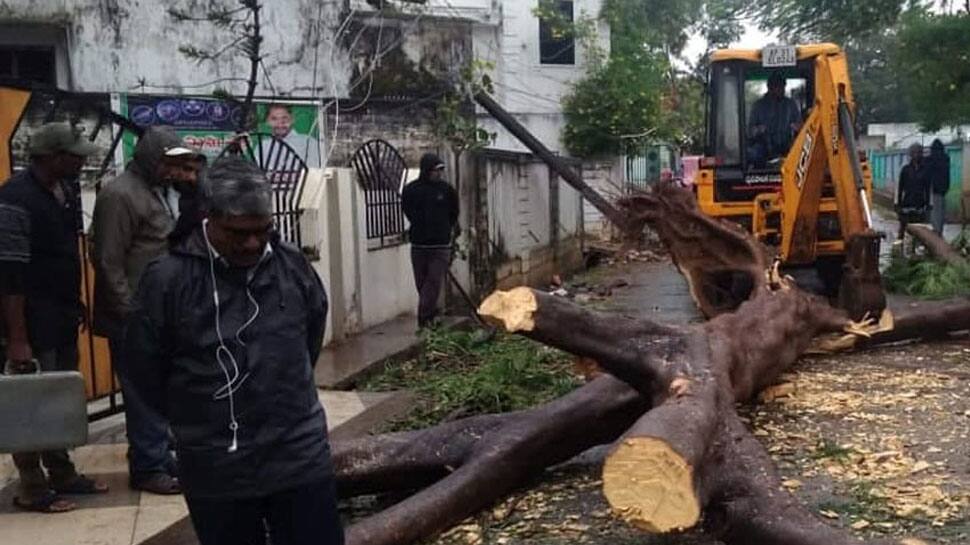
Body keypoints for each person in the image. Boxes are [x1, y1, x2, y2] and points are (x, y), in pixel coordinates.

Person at [123, 157, 342, 545]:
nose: (254, 243)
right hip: (215, 465)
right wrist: (195, 422)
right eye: (238, 233)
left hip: (298, 454)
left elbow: (310, 337)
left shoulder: (291, 266)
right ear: (208, 218)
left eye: (263, 230)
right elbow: (143, 368)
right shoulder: (169, 280)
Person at [0, 122, 109, 513]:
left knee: (60, 400)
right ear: (50, 157)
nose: (80, 160)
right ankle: (32, 487)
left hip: (60, 313)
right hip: (30, 319)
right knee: (32, 402)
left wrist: (74, 301)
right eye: (73, 154)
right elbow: (10, 276)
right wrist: (16, 336)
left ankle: (62, 473)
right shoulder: (15, 199)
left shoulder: (60, 192)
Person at [90, 126, 203, 495]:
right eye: (169, 164)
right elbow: (108, 261)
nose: (175, 171)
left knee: (157, 390)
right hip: (133, 317)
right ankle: (148, 467)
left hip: (154, 315)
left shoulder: (155, 192)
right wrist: (129, 313)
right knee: (141, 394)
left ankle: (156, 454)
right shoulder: (121, 195)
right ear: (153, 161)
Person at [401, 153, 459, 328]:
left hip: (440, 245)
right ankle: (430, 314)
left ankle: (424, 317)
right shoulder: (412, 190)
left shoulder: (446, 190)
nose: (438, 174)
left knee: (433, 281)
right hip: (419, 244)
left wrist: (445, 229)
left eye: (441, 170)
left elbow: (454, 213)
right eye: (435, 170)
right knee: (422, 283)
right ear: (427, 170)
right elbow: (407, 209)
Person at [747, 73, 802, 168]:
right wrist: (758, 130)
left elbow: (800, 126)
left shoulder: (790, 105)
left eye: (782, 87)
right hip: (764, 148)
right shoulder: (758, 106)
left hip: (787, 145)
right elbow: (749, 131)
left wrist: (797, 127)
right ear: (770, 88)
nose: (781, 90)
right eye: (778, 87)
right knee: (754, 153)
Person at [261, 103, 321, 168]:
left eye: (284, 118)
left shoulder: (309, 143)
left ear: (292, 119)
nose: (280, 123)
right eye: (274, 119)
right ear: (267, 121)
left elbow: (315, 171)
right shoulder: (263, 146)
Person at [896, 143, 930, 240]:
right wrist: (898, 204)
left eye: (918, 153)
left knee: (919, 231)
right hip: (907, 204)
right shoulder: (905, 169)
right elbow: (900, 188)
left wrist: (927, 205)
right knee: (903, 229)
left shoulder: (925, 170)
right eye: (914, 153)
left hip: (920, 204)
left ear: (921, 154)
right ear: (910, 155)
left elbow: (927, 189)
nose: (916, 155)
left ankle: (916, 250)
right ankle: (900, 248)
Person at [925, 139, 951, 236]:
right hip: (943, 190)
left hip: (934, 189)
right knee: (941, 213)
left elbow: (927, 173)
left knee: (935, 213)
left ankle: (936, 233)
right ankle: (939, 232)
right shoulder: (946, 158)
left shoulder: (930, 160)